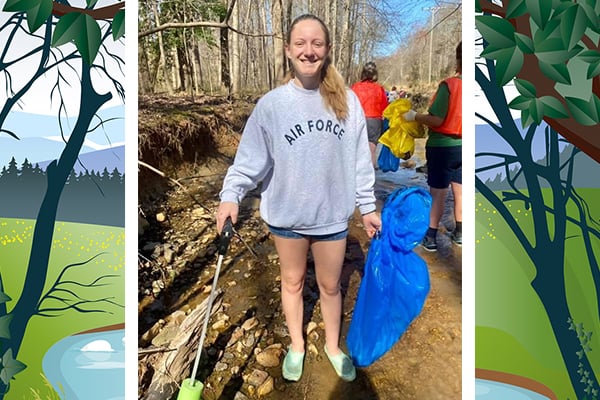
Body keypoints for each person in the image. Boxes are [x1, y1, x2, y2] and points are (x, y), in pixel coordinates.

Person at [216, 14, 381, 382]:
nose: (309, 51)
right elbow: (250, 160)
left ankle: (334, 346)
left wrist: (367, 207)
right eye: (301, 44)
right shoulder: (272, 105)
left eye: (317, 44)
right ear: (289, 50)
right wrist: (231, 196)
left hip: (332, 219)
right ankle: (296, 345)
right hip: (287, 219)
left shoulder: (348, 102)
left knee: (330, 285)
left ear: (327, 50)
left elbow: (359, 161)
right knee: (291, 282)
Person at [403, 41, 462, 251]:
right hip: (464, 146)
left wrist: (415, 116)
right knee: (460, 191)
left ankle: (431, 236)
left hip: (442, 147)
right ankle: (460, 233)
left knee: (438, 193)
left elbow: (436, 119)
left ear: (458, 60)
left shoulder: (451, 85)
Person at [351, 62, 389, 168]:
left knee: (357, 151)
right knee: (371, 152)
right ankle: (370, 179)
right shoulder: (379, 89)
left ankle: (357, 178)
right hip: (374, 121)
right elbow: (385, 109)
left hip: (358, 120)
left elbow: (350, 105)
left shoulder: (355, 87)